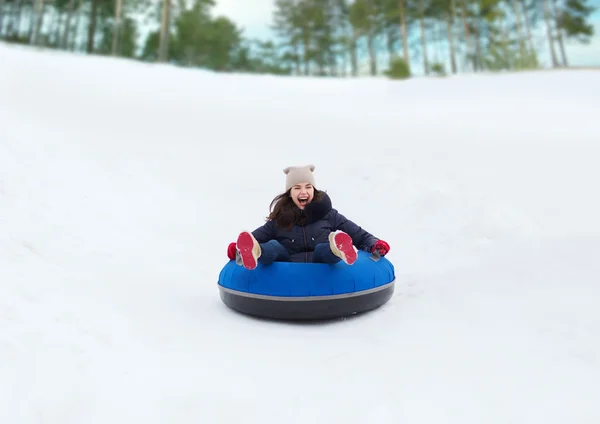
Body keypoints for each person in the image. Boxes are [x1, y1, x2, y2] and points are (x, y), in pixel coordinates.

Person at [226, 164, 390, 270]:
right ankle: (256, 251)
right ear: (290, 193)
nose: (303, 192)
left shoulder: (329, 215)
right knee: (274, 246)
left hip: (321, 264)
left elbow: (359, 234)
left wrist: (375, 244)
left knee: (323, 249)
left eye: (308, 187)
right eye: (297, 188)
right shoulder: (280, 220)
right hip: (288, 266)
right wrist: (238, 249)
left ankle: (338, 248)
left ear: (314, 190)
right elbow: (254, 236)